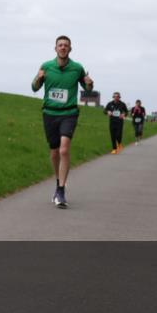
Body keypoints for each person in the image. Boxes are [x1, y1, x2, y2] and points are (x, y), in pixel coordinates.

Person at [31, 35, 94, 208]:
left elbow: (87, 89)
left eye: (66, 45)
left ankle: (61, 190)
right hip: (50, 113)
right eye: (60, 45)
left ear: (70, 49)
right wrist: (39, 77)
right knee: (54, 152)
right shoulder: (46, 66)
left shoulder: (77, 68)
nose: (63, 47)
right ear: (55, 48)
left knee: (64, 150)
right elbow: (34, 87)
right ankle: (59, 181)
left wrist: (89, 83)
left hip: (69, 113)